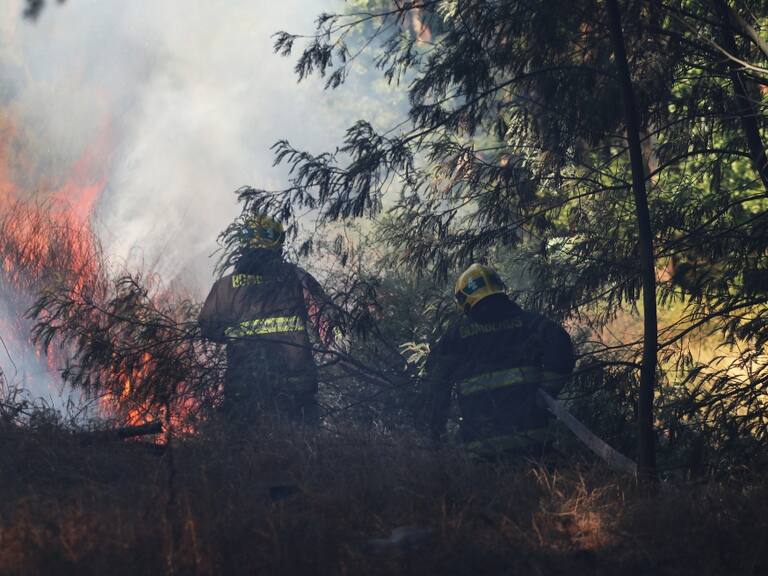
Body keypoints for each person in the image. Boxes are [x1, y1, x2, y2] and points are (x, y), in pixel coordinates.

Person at [426, 263, 575, 458]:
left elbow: (436, 377)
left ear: (464, 299)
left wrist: (436, 432)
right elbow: (561, 347)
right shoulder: (531, 324)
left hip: (482, 447)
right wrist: (548, 390)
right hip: (533, 443)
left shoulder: (456, 336)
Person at [198, 212, 332, 426]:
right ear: (278, 246)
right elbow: (325, 319)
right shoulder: (297, 278)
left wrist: (238, 336)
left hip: (244, 385)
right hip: (296, 384)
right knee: (302, 449)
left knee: (243, 451)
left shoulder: (225, 287)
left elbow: (208, 327)